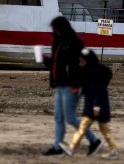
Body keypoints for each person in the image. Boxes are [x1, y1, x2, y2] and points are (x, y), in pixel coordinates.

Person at [42, 16, 102, 156]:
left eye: (54, 29)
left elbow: (76, 65)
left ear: (60, 28)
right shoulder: (59, 42)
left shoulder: (74, 42)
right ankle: (57, 148)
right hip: (61, 84)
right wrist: (44, 59)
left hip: (71, 85)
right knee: (59, 117)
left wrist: (75, 84)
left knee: (70, 118)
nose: (53, 31)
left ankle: (94, 141)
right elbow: (56, 64)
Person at [59, 48, 119, 158]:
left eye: (82, 59)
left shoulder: (93, 73)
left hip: (95, 106)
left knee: (84, 127)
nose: (80, 61)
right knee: (103, 129)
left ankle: (72, 148)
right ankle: (113, 150)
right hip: (97, 105)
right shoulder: (92, 71)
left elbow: (97, 90)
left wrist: (96, 107)